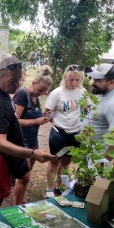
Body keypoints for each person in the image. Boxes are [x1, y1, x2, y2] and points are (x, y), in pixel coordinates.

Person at [0, 56, 56, 211]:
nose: (17, 85)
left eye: (19, 80)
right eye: (13, 81)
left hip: (5, 152)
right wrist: (33, 153)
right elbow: (0, 143)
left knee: (8, 185)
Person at [44, 64, 87, 197]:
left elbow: (86, 108)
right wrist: (57, 122)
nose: (74, 83)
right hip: (59, 133)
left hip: (76, 133)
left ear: (81, 79)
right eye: (71, 80)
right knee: (55, 161)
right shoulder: (57, 93)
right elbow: (47, 112)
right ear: (65, 78)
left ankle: (60, 185)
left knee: (67, 161)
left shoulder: (83, 92)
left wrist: (83, 122)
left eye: (77, 80)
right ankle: (49, 188)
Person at [13, 65, 53, 170]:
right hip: (21, 139)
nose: (41, 93)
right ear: (34, 83)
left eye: (44, 92)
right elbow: (14, 121)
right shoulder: (22, 95)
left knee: (28, 169)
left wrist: (45, 117)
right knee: (23, 171)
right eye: (40, 90)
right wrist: (36, 121)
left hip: (33, 139)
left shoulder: (35, 97)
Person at [82, 63, 114, 161]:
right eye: (93, 79)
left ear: (111, 82)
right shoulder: (104, 93)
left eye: (98, 80)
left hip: (99, 159)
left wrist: (102, 165)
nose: (93, 83)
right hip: (91, 155)